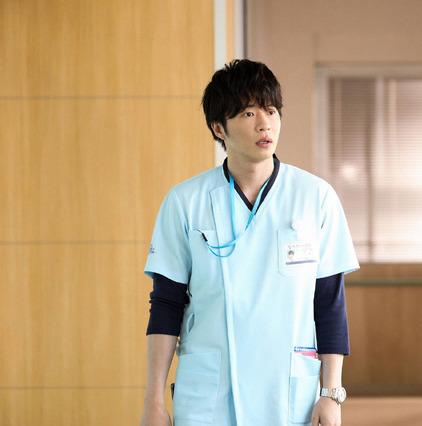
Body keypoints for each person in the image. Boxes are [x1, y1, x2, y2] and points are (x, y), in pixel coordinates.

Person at [140, 59, 359, 426]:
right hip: (210, 394)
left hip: (288, 394)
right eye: (248, 113)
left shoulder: (315, 198)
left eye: (271, 110)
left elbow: (329, 304)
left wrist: (331, 391)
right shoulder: (185, 202)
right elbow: (166, 305)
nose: (264, 123)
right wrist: (154, 401)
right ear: (218, 128)